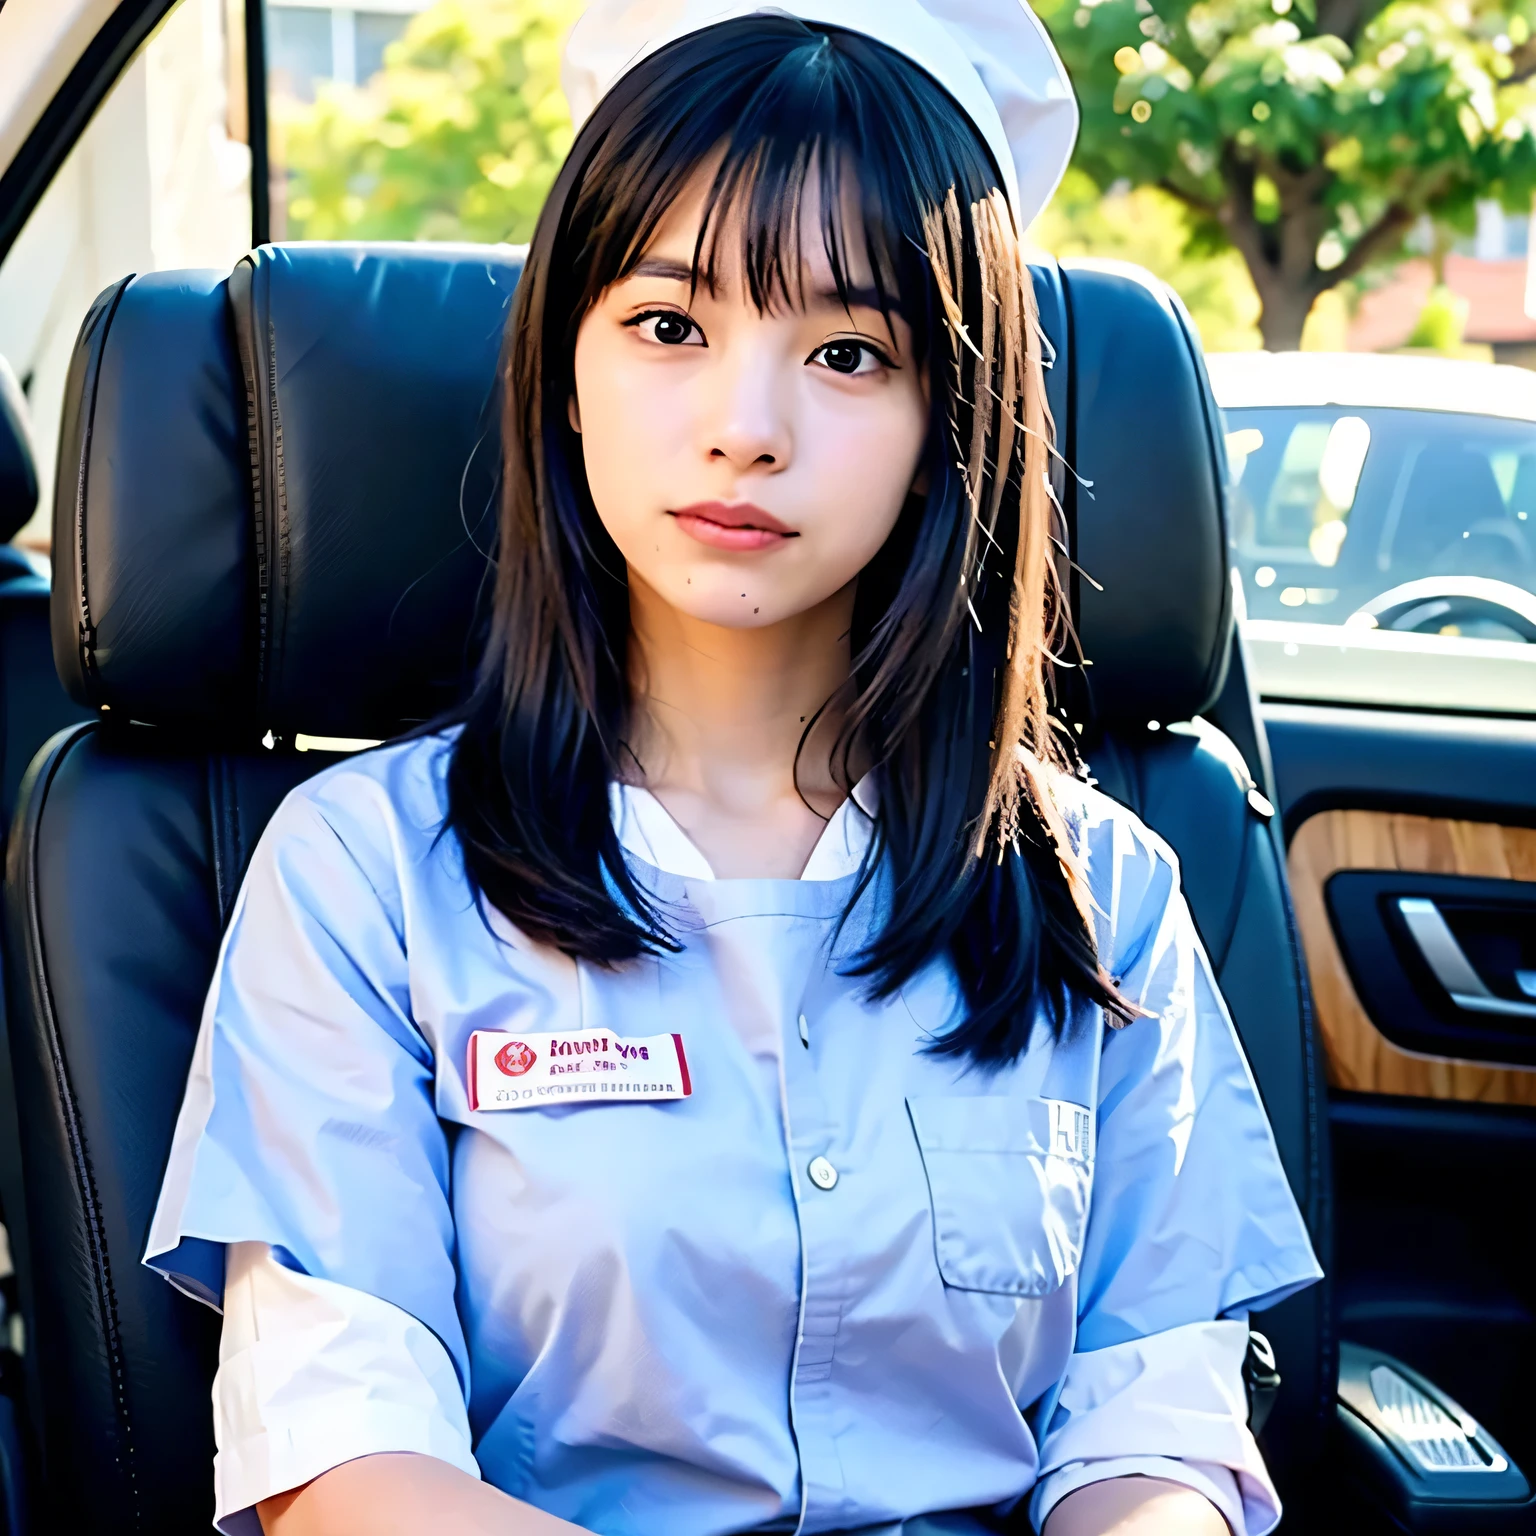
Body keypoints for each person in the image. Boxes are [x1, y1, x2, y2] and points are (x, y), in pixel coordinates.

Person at [144, 4, 1323, 1534]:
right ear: (565, 367)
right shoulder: (366, 874)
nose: (745, 429)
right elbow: (347, 1459)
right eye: (669, 326)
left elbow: (1152, 1435)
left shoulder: (1103, 891)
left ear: (945, 423)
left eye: (846, 351)